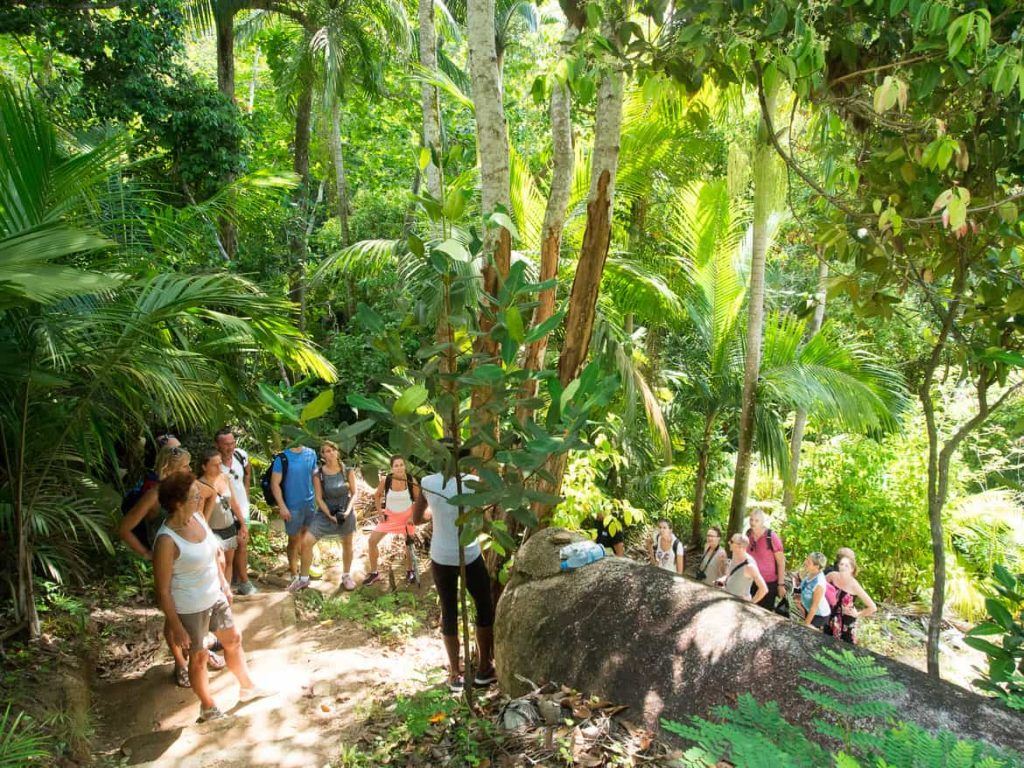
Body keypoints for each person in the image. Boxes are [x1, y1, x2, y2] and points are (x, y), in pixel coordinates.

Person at [152, 471, 270, 721]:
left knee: (233, 639)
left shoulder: (196, 517)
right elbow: (162, 590)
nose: (200, 498)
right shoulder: (166, 540)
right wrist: (176, 626)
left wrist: (224, 586)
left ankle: (247, 687)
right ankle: (207, 707)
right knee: (199, 657)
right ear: (177, 502)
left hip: (214, 595)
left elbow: (214, 553)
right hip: (189, 607)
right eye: (195, 495)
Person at [120, 445, 211, 687]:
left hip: (188, 558)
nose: (189, 470)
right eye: (184, 466)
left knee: (191, 609)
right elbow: (125, 528)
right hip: (166, 559)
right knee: (173, 614)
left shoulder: (186, 492)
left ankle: (197, 650)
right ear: (167, 468)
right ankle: (180, 662)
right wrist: (147, 553)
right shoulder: (155, 495)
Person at [411, 456, 495, 693]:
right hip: (469, 553)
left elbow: (416, 518)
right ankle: (484, 669)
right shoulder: (472, 482)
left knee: (449, 610)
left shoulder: (428, 482)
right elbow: (481, 521)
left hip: (441, 556)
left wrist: (435, 514)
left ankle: (455, 673)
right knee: (484, 605)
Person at [300, 441, 358, 591]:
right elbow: (319, 498)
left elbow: (354, 493)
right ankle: (304, 579)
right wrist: (330, 515)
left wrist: (347, 512)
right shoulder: (318, 474)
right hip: (326, 513)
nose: (330, 453)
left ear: (337, 452)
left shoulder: (347, 470)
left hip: (346, 511)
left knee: (347, 544)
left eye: (332, 450)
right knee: (306, 542)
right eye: (326, 451)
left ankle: (346, 576)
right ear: (323, 455)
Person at [269, 442, 319, 591]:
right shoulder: (282, 458)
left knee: (307, 538)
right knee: (294, 539)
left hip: (309, 504)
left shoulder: (311, 453)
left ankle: (304, 569)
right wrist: (282, 506)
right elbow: (274, 484)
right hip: (291, 506)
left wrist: (320, 500)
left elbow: (314, 477)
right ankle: (293, 572)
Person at [364, 456, 420, 586]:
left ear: (405, 466)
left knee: (409, 544)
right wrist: (380, 513)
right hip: (389, 517)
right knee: (372, 541)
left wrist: (413, 517)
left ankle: (409, 571)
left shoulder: (411, 480)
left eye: (401, 465)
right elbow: (377, 496)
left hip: (407, 518)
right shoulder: (386, 480)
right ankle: (374, 573)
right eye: (396, 465)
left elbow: (418, 500)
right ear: (391, 468)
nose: (399, 468)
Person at [196, 449, 248, 586]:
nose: (219, 467)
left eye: (220, 463)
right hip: (212, 531)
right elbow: (200, 516)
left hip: (229, 527)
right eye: (214, 465)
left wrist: (243, 524)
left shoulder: (224, 477)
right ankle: (217, 594)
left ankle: (227, 594)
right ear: (204, 466)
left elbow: (234, 504)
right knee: (219, 564)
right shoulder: (199, 486)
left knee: (229, 563)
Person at [216, 428, 256, 595]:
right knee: (227, 549)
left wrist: (246, 493)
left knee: (242, 544)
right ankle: (227, 584)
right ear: (217, 445)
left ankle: (243, 581)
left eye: (232, 443)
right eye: (226, 444)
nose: (230, 447)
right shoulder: (215, 464)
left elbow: (248, 472)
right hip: (225, 512)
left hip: (242, 508)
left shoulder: (241, 455)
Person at [825, 553, 876, 644]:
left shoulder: (854, 585)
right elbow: (820, 586)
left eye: (847, 565)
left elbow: (872, 607)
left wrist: (857, 614)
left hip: (846, 621)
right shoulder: (832, 575)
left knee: (844, 649)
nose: (843, 567)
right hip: (830, 615)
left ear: (852, 569)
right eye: (841, 564)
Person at [746, 507, 787, 611]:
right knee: (748, 610)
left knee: (763, 613)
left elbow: (781, 562)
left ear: (762, 522)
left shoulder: (771, 537)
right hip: (751, 581)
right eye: (751, 519)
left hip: (768, 583)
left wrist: (781, 584)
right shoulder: (748, 534)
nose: (753, 523)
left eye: (756, 520)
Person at [717, 533, 768, 604]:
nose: (729, 542)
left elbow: (764, 589)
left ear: (740, 546)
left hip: (738, 606)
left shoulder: (749, 566)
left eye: (731, 541)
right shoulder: (734, 556)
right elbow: (732, 575)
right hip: (727, 601)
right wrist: (723, 579)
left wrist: (750, 603)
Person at [799, 552, 832, 630]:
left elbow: (814, 607)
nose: (805, 562)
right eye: (806, 559)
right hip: (808, 609)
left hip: (819, 616)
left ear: (816, 566)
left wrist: (805, 625)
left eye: (809, 562)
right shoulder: (811, 573)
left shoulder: (819, 583)